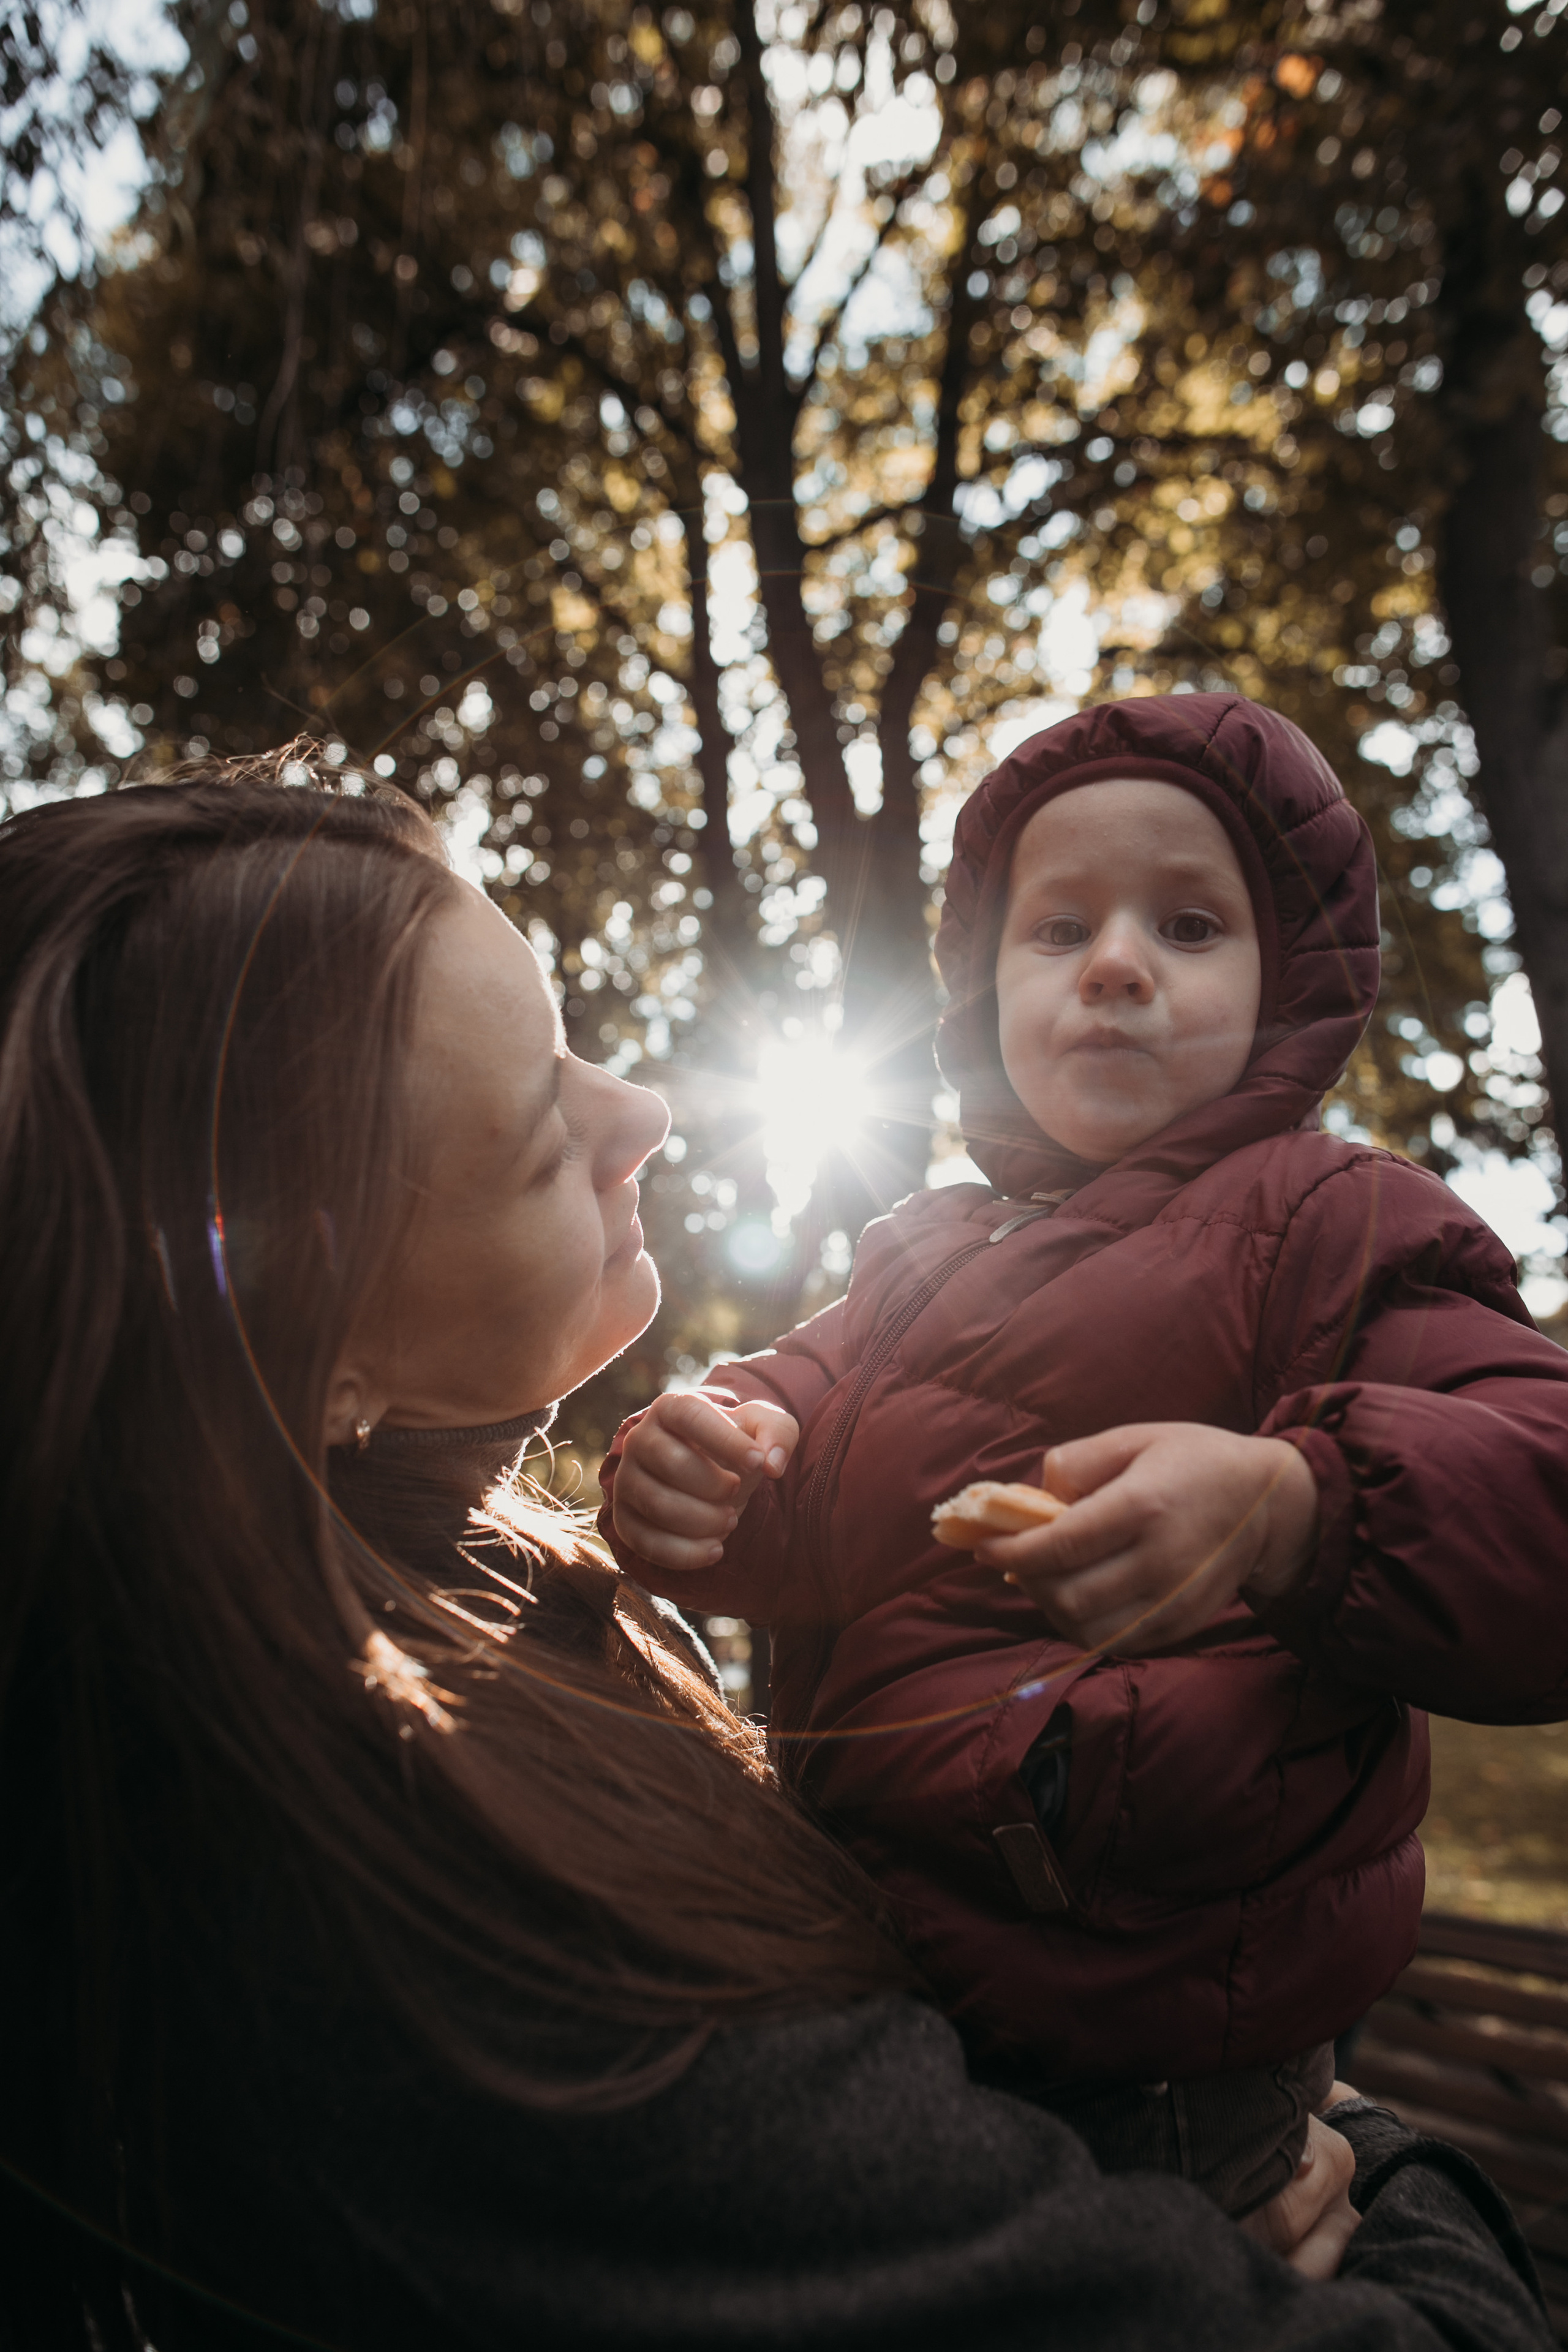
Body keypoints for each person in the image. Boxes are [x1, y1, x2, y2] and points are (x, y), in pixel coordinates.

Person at [0, 746, 1551, 2352]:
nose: (648, 1109)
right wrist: (1387, 2167)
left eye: (575, 1041)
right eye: (543, 1124)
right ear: (318, 1357)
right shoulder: (454, 1952)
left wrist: (1302, 1506)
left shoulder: (490, 1599)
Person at [603, 692, 1568, 2224]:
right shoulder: (910, 1258)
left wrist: (1290, 1504)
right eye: (1057, 931)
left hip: (1161, 2044)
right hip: (865, 1978)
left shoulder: (1337, 1228)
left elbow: (1537, 1491)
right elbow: (789, 1454)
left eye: (1187, 925)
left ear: (1289, 983)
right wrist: (705, 1461)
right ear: (982, 995)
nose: (1114, 964)